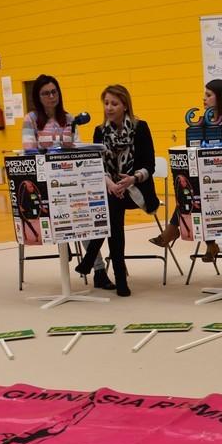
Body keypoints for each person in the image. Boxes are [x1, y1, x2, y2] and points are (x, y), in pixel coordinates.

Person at [21, 74, 113, 290]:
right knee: (73, 213)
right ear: (38, 96)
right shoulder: (31, 119)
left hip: (69, 180)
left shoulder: (69, 118)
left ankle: (98, 269)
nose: (51, 96)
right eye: (46, 93)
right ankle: (82, 255)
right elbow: (28, 150)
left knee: (84, 213)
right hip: (44, 183)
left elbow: (78, 145)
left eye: (54, 92)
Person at [73, 84, 158, 297]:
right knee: (113, 209)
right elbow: (96, 166)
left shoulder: (140, 127)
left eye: (114, 103)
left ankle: (91, 258)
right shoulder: (100, 131)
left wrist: (131, 179)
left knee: (112, 209)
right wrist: (110, 184)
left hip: (137, 188)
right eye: (106, 103)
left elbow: (150, 165)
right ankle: (120, 278)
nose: (109, 108)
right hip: (111, 190)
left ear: (125, 106)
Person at [149, 79, 222, 262]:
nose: (203, 98)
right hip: (204, 179)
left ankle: (173, 232)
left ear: (220, 97)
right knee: (193, 192)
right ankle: (209, 244)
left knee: (195, 194)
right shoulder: (202, 123)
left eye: (208, 95)